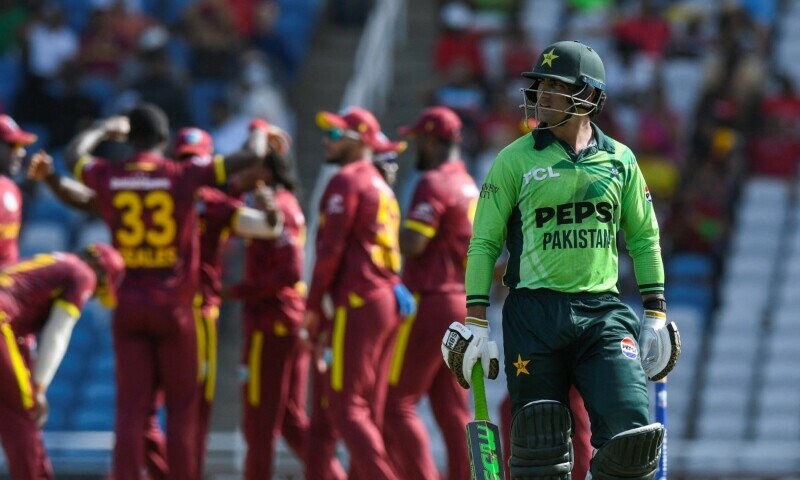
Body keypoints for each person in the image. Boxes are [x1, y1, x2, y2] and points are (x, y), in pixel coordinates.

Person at [440, 40, 681, 479]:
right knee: (539, 452)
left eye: (556, 85)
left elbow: (645, 239)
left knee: (631, 441)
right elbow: (484, 244)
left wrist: (655, 315)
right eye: (540, 84)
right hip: (534, 314)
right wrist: (475, 320)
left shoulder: (620, 160)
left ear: (588, 96)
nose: (543, 94)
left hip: (603, 313)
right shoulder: (513, 160)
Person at [26, 124, 287, 478]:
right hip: (188, 314)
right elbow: (266, 227)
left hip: (144, 305)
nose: (190, 163)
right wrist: (271, 208)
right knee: (181, 411)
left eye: (194, 159)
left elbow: (86, 195)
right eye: (186, 158)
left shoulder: (168, 188)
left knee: (139, 410)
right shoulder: (196, 191)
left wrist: (56, 178)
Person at [301, 106, 406, 480]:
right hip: (384, 300)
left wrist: (312, 306)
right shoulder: (379, 183)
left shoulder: (347, 180)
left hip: (358, 300)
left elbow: (330, 252)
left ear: (358, 139)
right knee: (355, 412)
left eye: (334, 135)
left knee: (345, 408)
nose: (326, 141)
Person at [381, 106, 476, 480]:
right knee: (452, 409)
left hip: (429, 301)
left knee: (395, 405)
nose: (415, 146)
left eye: (418, 139)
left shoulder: (433, 182)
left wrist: (383, 217)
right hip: (461, 302)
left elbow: (415, 242)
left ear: (433, 141)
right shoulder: (469, 183)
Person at [0, 242, 125, 480]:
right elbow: (59, 330)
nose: (92, 297)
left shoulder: (53, 262)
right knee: (23, 415)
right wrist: (39, 386)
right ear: (99, 270)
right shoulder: (83, 273)